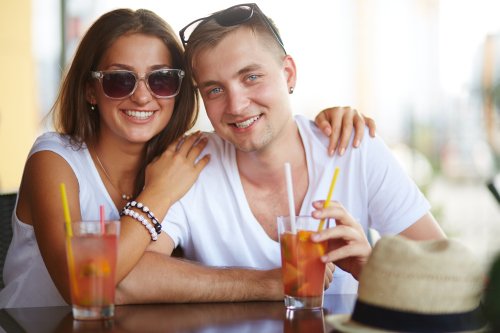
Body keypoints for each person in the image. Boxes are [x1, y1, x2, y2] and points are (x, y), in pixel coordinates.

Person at [0, 8, 371, 308]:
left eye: (161, 80)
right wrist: (158, 195)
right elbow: (83, 284)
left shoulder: (182, 158)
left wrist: (319, 123)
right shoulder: (53, 160)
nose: (143, 97)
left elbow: (261, 125)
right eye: (119, 80)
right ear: (91, 90)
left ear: (179, 90)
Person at [115, 3, 446, 304]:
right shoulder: (191, 163)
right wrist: (267, 284)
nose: (236, 105)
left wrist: (374, 271)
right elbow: (123, 280)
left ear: (288, 74)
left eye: (251, 77)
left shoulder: (353, 147)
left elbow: (448, 276)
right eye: (215, 89)